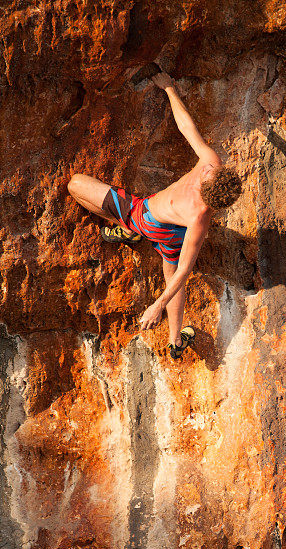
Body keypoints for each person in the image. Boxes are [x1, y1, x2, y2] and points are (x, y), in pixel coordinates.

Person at [67, 71, 242, 359]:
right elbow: (188, 129)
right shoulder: (211, 164)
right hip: (161, 225)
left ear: (208, 192)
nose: (207, 169)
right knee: (170, 268)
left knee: (76, 184)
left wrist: (157, 305)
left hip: (148, 218)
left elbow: (187, 269)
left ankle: (126, 228)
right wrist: (170, 89)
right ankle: (176, 341)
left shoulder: (199, 215)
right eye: (212, 170)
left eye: (209, 176)